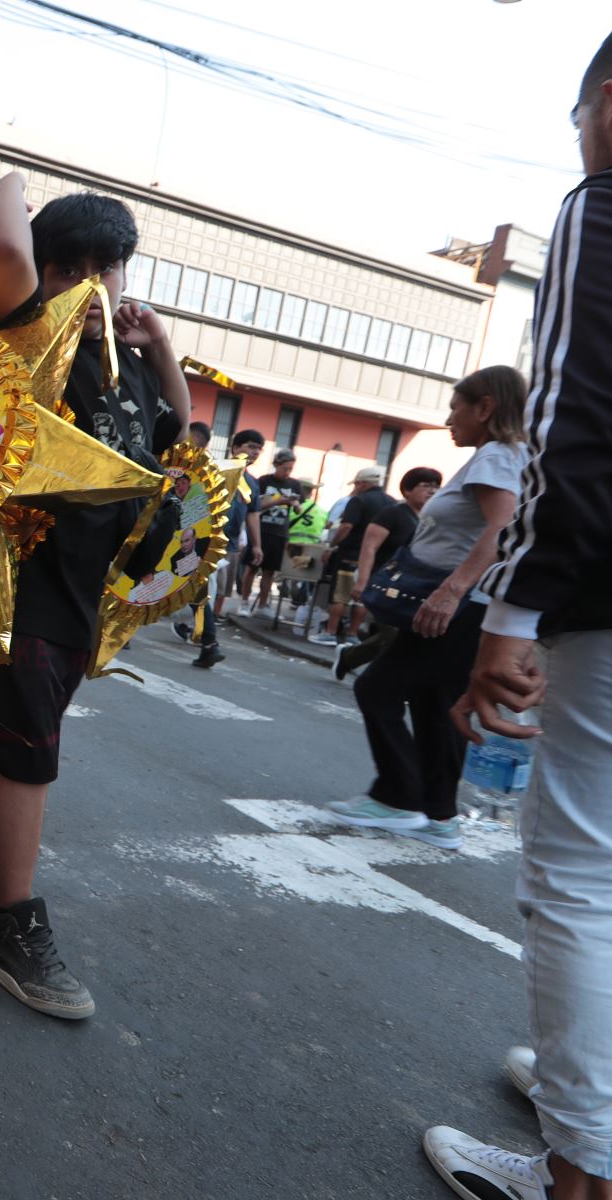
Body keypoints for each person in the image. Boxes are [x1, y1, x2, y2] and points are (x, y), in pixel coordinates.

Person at [0, 173, 188, 1021]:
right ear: (42, 275)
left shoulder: (122, 364)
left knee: (6, 742)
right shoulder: (21, 337)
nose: (89, 285)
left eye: (106, 268)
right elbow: (9, 239)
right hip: (15, 587)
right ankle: (7, 925)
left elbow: (175, 427)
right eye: (68, 269)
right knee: (30, 749)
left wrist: (159, 342)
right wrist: (11, 182)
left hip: (87, 592)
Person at [426, 36, 612, 1200]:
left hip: (603, 596)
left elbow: (575, 420)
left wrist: (515, 606)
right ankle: (586, 1094)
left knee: (580, 872)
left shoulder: (603, 206)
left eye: (580, 115)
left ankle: (577, 1171)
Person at [325, 367, 526, 851]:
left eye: (456, 408)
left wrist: (452, 590)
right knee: (439, 705)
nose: (449, 418)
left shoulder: (496, 457)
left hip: (456, 607)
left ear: (485, 407)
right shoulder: (502, 457)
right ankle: (439, 814)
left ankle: (399, 797)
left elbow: (502, 532)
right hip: (466, 608)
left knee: (378, 688)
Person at [332, 466, 442, 681]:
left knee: (397, 635)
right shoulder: (393, 513)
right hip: (382, 582)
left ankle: (349, 658)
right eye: (426, 485)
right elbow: (369, 547)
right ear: (407, 490)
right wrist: (362, 581)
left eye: (436, 486)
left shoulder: (429, 519)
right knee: (394, 634)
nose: (432, 490)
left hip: (409, 585)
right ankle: (382, 681)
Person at [194, 428, 265, 667]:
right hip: (201, 541)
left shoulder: (252, 483)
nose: (254, 452)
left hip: (227, 546)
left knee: (205, 591)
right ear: (235, 448)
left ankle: (206, 640)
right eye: (250, 446)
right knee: (199, 589)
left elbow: (253, 515)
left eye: (258, 449)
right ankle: (207, 641)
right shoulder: (218, 469)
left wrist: (257, 545)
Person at [309, 465, 395, 646]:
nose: (355, 488)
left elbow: (346, 526)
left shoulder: (359, 500)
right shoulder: (392, 503)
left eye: (356, 484)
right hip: (376, 557)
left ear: (363, 483)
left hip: (351, 554)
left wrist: (332, 545)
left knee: (340, 594)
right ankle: (352, 635)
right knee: (362, 598)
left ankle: (331, 632)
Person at [245, 448, 307, 615]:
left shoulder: (295, 485)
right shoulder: (264, 481)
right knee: (252, 568)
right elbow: (255, 506)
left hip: (280, 533)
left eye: (290, 469)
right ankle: (244, 602)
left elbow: (299, 509)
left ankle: (263, 605)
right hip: (260, 531)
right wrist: (277, 501)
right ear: (276, 465)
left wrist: (294, 504)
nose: (287, 472)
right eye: (284, 468)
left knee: (269, 572)